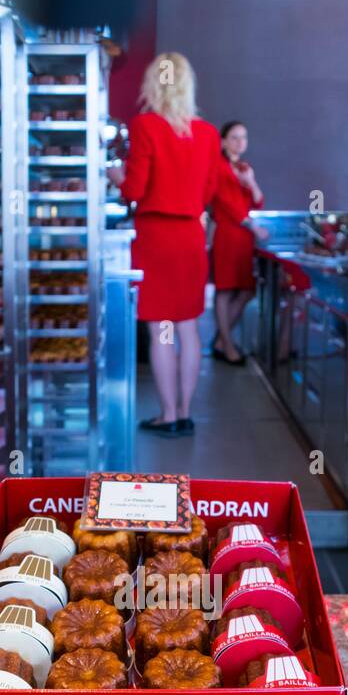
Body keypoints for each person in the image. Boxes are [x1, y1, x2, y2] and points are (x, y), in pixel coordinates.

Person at [108, 53, 220, 436]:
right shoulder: (207, 133)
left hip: (156, 237)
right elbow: (209, 189)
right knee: (188, 327)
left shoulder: (146, 126)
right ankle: (186, 412)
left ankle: (168, 413)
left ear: (153, 84)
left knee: (162, 330)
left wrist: (116, 175)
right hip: (190, 236)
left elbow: (134, 190)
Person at [211, 121, 264, 365]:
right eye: (234, 137)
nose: (240, 142)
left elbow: (258, 202)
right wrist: (253, 226)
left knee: (246, 290)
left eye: (243, 137)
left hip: (244, 237)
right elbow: (227, 205)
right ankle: (226, 343)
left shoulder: (244, 167)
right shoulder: (218, 168)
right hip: (229, 234)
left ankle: (222, 340)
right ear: (223, 141)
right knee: (225, 289)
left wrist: (250, 182)